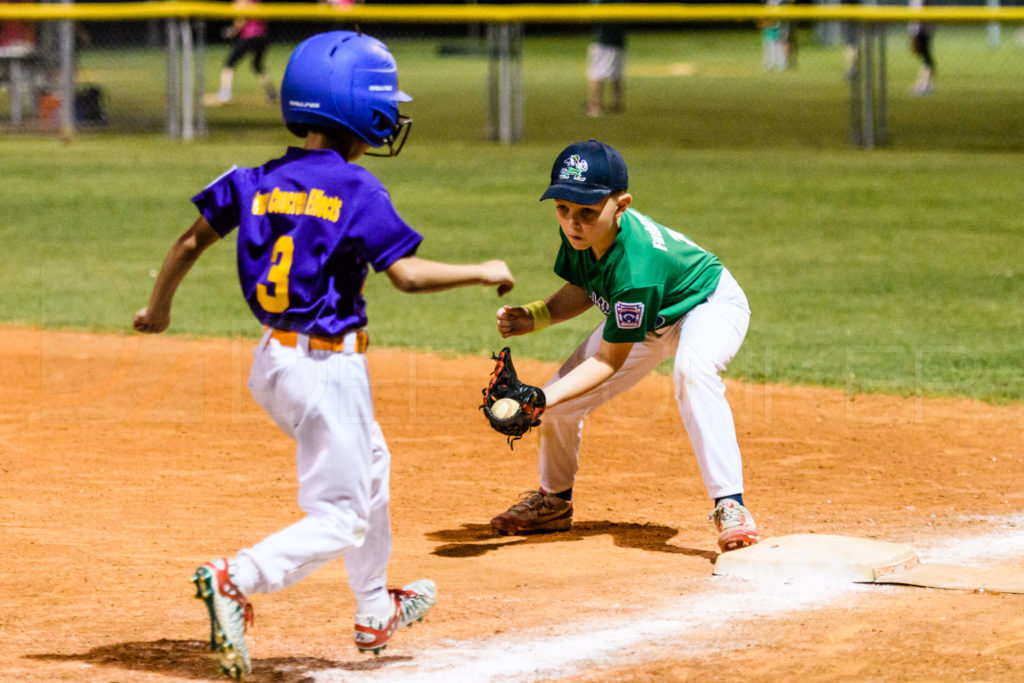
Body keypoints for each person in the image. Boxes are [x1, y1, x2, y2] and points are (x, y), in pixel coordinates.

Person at [134, 31, 515, 681]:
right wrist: (482, 269)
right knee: (341, 514)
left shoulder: (252, 178)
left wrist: (159, 308)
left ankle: (374, 609)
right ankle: (236, 577)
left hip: (274, 362)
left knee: (372, 462)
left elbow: (188, 239)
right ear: (360, 110)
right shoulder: (356, 187)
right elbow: (408, 275)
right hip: (327, 367)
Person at [489, 139, 759, 554]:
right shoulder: (583, 233)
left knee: (692, 370)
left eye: (587, 212)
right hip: (644, 317)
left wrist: (537, 398)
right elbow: (585, 283)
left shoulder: (638, 265)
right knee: (562, 401)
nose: (573, 222)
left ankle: (731, 505)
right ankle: (553, 502)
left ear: (622, 205)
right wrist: (536, 315)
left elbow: (606, 360)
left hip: (705, 305)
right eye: (563, 208)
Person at [209, 0, 276, 105]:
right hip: (263, 37)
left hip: (249, 37)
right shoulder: (255, 2)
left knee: (229, 64)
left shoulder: (241, 2)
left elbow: (240, 22)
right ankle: (271, 93)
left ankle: (225, 94)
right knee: (257, 66)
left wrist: (231, 32)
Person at [586, 0, 626, 117]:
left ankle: (595, 105)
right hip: (618, 40)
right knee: (617, 75)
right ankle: (616, 105)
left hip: (603, 40)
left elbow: (591, 14)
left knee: (597, 74)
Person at [908, 0, 935, 95]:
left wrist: (916, 30)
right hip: (920, 26)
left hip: (921, 27)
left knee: (925, 54)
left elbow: (920, 8)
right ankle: (925, 82)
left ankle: (926, 83)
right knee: (923, 54)